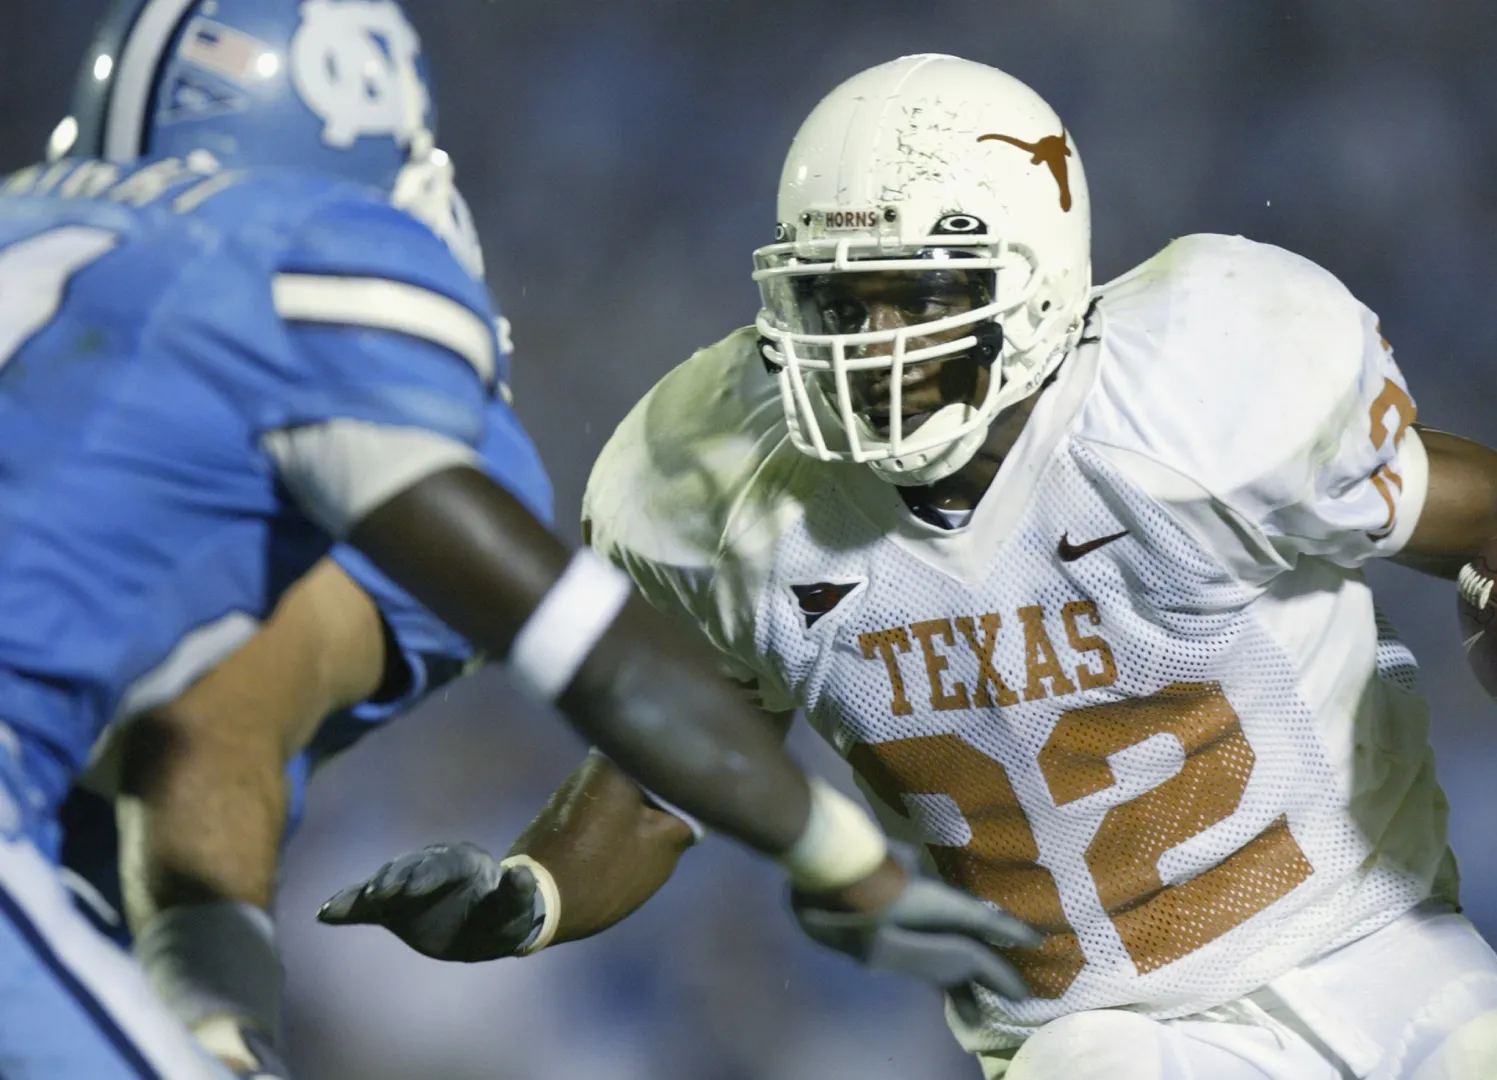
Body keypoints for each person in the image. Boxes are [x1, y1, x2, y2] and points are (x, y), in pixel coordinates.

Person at [317, 54, 1497, 1080]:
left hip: (1368, 939)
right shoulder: (725, 489)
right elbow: (659, 774)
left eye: (915, 299)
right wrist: (531, 893)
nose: (866, 344)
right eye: (834, 298)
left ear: (1035, 278)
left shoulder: (1201, 396)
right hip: (1088, 1027)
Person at [0, 11, 1031, 1079]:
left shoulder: (39, 233)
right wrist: (848, 864)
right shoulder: (310, 256)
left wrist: (221, 1033)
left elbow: (208, 733)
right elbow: (589, 650)